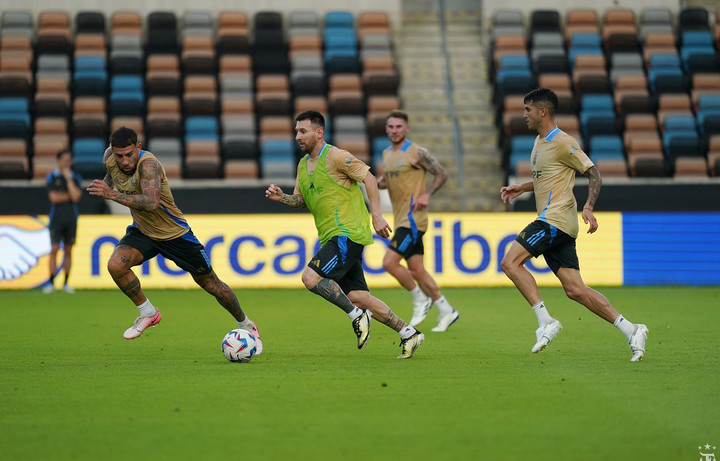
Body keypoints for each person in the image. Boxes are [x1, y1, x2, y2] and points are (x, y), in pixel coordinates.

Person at [499, 88, 648, 362]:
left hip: (554, 220)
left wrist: (588, 207)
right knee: (575, 290)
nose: (524, 115)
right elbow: (550, 177)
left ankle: (545, 321)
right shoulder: (539, 142)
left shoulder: (562, 142)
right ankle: (632, 329)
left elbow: (593, 172)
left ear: (542, 111)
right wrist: (523, 187)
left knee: (510, 263)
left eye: (527, 110)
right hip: (559, 224)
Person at [265, 110, 424, 359]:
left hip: (347, 234)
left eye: (302, 131)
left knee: (310, 278)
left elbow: (369, 179)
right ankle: (408, 333)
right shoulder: (303, 165)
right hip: (331, 236)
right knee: (358, 296)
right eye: (296, 131)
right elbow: (300, 200)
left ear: (319, 133)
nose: (297, 136)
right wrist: (281, 197)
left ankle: (356, 316)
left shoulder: (337, 156)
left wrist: (377, 215)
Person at [87, 127, 262, 350]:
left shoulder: (148, 165)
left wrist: (111, 195)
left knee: (212, 285)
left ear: (138, 148)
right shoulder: (109, 159)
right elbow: (112, 176)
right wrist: (106, 186)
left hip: (175, 234)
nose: (125, 161)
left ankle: (246, 324)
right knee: (115, 265)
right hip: (143, 231)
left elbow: (151, 203)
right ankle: (147, 312)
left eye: (129, 154)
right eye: (119, 156)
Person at [376, 110, 460, 332]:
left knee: (389, 263)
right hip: (401, 218)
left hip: (413, 220)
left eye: (399, 126)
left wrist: (427, 194)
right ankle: (446, 310)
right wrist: (372, 183)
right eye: (391, 127)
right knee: (417, 270)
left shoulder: (416, 152)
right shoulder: (386, 155)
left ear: (407, 128)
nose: (394, 130)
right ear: (386, 129)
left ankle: (420, 299)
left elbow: (441, 173)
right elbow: (388, 182)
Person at [43, 149, 82, 294]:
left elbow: (76, 197)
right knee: (54, 249)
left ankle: (66, 283)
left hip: (71, 218)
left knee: (68, 250)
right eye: (64, 159)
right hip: (57, 218)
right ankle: (52, 282)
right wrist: (69, 195)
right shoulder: (51, 177)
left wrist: (68, 179)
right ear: (58, 161)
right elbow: (54, 198)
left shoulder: (75, 177)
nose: (66, 162)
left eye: (69, 159)